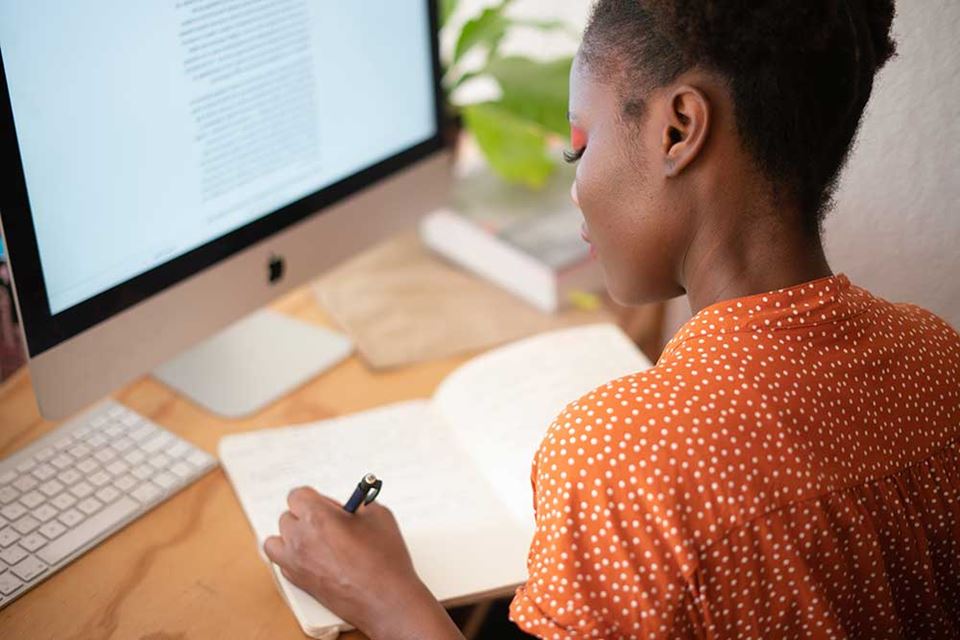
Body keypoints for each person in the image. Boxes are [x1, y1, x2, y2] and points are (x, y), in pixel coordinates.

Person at [263, 0, 960, 637]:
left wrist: (385, 596)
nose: (576, 187)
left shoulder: (620, 462)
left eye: (580, 144)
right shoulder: (940, 359)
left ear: (678, 129)